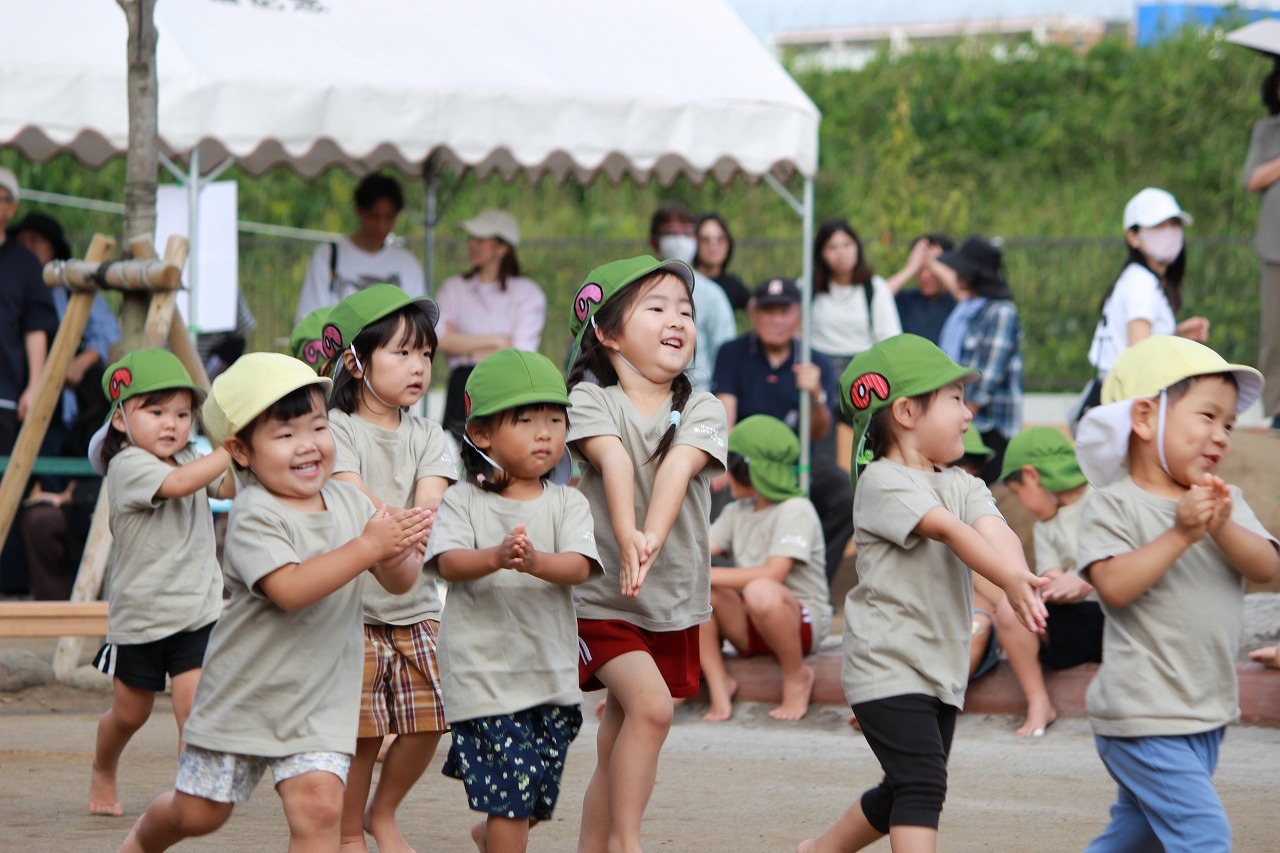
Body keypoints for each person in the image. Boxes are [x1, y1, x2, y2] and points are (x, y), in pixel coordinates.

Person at [119, 353, 431, 852]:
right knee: (199, 814)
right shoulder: (254, 513)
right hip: (244, 700)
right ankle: (140, 842)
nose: (307, 445)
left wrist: (401, 548)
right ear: (241, 451)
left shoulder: (351, 502)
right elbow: (290, 589)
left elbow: (398, 582)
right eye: (284, 436)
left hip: (320, 704)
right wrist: (370, 546)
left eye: (318, 427)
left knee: (321, 810)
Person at [800, 334, 1047, 853]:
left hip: (939, 664)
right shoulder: (882, 482)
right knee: (923, 785)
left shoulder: (961, 483)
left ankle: (819, 850)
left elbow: (994, 530)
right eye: (955, 398)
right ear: (907, 411)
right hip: (886, 662)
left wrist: (1020, 576)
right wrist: (1009, 580)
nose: (968, 411)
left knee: (903, 788)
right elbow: (954, 533)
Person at [1073, 335, 1279, 852]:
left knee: (1136, 835)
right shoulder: (1112, 505)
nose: (1221, 436)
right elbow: (1114, 586)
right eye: (1207, 416)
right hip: (1143, 712)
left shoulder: (1222, 500)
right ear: (1144, 418)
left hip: (1204, 710)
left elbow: (1268, 566)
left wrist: (1220, 527)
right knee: (1204, 835)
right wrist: (1181, 534)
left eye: (1228, 424)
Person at [565, 256, 727, 852]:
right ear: (606, 333)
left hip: (670, 601)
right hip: (603, 596)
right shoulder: (588, 399)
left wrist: (648, 537)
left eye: (684, 309)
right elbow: (612, 459)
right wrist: (628, 536)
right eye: (655, 307)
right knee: (652, 711)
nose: (676, 319)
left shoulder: (704, 406)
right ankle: (629, 843)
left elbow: (678, 469)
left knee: (620, 731)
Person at [427, 349, 599, 853]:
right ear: (481, 434)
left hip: (550, 677)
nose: (544, 433)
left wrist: (534, 561)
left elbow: (580, 566)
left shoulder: (569, 501)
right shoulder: (463, 500)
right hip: (483, 675)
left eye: (554, 419)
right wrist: (497, 556)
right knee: (514, 793)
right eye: (525, 421)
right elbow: (449, 562)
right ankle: (501, 832)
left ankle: (493, 835)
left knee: (533, 795)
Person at [322, 285, 456, 853]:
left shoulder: (431, 435)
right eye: (401, 353)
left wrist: (397, 532)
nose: (419, 366)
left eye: (425, 354)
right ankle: (349, 831)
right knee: (362, 734)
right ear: (355, 361)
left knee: (431, 721)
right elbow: (354, 500)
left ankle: (384, 811)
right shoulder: (335, 429)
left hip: (419, 604)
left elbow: (428, 510)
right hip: (352, 610)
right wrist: (396, 529)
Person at [85, 350, 235, 817]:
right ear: (120, 420)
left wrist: (245, 459)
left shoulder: (192, 454)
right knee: (130, 714)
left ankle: (192, 791)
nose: (172, 424)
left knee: (193, 707)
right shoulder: (128, 466)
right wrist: (228, 450)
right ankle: (102, 767)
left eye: (183, 414)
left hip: (196, 610)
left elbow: (223, 488)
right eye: (156, 412)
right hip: (141, 618)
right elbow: (179, 484)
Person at [712, 277, 852, 581]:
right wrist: (722, 457)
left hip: (795, 462)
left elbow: (818, 432)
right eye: (768, 310)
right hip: (745, 458)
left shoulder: (816, 362)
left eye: (784, 311)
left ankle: (807, 575)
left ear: (798, 315)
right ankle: (727, 584)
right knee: (716, 485)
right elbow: (726, 410)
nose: (776, 319)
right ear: (753, 313)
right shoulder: (732, 353)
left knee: (845, 493)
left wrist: (815, 396)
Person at [700, 415, 831, 723]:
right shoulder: (736, 512)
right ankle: (719, 682)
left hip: (799, 623)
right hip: (753, 622)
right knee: (698, 589)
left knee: (759, 589)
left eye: (729, 465)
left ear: (750, 470)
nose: (725, 475)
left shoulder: (796, 510)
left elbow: (773, 574)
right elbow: (697, 552)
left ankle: (796, 674)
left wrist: (704, 574)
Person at [994, 427, 1100, 737]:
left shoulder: (1104, 496)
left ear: (1031, 476)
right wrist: (1053, 586)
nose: (1023, 505)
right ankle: (1039, 702)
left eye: (1017, 493)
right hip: (1080, 621)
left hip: (1123, 615)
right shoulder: (1046, 526)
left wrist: (1086, 580)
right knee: (1011, 605)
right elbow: (1052, 575)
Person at [1085, 188, 1209, 411]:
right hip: (1128, 402)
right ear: (1133, 237)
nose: (1170, 233)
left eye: (1174, 224)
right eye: (1159, 226)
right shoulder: (1141, 284)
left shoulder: (1142, 278)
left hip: (1120, 397)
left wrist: (1177, 334)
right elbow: (1140, 355)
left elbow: (1141, 341)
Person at [8, 212, 120, 447]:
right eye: (22, 240)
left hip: (62, 401)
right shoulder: (10, 283)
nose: (27, 247)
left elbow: (109, 332)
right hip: (13, 394)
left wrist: (84, 360)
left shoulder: (72, 291)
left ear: (53, 248)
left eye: (36, 240)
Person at [435, 209, 547, 440]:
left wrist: (464, 344)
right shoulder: (453, 288)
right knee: (456, 457)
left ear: (502, 247)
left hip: (508, 384)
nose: (472, 244)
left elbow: (522, 353)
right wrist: (497, 342)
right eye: (472, 238)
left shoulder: (527, 293)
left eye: (481, 239)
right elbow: (440, 339)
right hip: (461, 386)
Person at [0, 169, 59, 594]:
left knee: (8, 491)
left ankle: (9, 587)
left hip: (5, 397)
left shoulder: (24, 264)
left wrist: (35, 385)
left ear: (11, 206)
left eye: (1, 196)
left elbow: (36, 326)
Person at [933, 236, 1023, 484]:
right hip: (965, 420)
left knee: (984, 495)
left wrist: (961, 415)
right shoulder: (968, 308)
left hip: (987, 425)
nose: (956, 273)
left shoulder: (1001, 312)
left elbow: (987, 376)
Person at [294, 173, 425, 323]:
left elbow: (418, 323)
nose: (381, 225)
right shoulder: (328, 256)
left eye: (389, 217)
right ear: (360, 212)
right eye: (375, 216)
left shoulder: (407, 264)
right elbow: (310, 320)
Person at [647, 202, 736, 392]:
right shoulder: (636, 291)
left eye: (687, 233)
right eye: (671, 232)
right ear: (654, 241)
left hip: (696, 399)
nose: (680, 240)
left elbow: (726, 357)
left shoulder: (712, 295)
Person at [809, 218, 902, 382]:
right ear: (821, 253)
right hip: (818, 372)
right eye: (832, 247)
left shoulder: (875, 287)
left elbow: (890, 338)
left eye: (847, 245)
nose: (841, 253)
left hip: (863, 373)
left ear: (857, 248)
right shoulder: (807, 288)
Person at [1245, 64, 1280, 433]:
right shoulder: (1266, 130)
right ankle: (1277, 407)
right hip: (1275, 246)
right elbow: (1252, 179)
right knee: (1275, 332)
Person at [885, 233, 957, 344]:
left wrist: (938, 266)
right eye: (920, 269)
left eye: (931, 268)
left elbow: (967, 296)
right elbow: (877, 296)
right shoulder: (906, 300)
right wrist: (910, 269)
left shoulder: (957, 302)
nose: (925, 276)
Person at [693, 212, 750, 310]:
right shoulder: (686, 282)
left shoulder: (734, 286)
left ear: (728, 244)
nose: (713, 245)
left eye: (720, 239)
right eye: (706, 239)